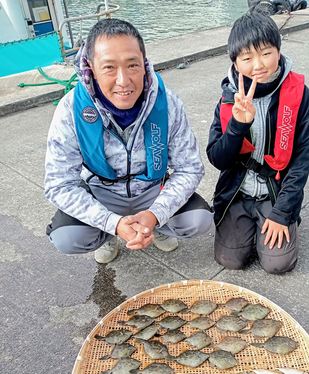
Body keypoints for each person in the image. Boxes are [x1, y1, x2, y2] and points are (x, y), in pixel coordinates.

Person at [45, 19, 213, 263]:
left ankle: (153, 226)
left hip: (152, 190)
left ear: (144, 64)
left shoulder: (168, 103)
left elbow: (190, 168)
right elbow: (58, 184)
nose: (123, 80)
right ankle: (110, 233)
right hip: (101, 192)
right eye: (109, 67)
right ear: (90, 67)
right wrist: (112, 223)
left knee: (199, 221)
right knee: (67, 237)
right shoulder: (70, 109)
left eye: (132, 65)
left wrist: (157, 214)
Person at [206, 13, 309, 273]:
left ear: (278, 50)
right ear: (235, 61)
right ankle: (244, 224)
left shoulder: (299, 94)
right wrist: (238, 125)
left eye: (266, 53)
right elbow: (217, 158)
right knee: (230, 260)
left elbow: (302, 159)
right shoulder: (228, 98)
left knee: (279, 264)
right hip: (238, 191)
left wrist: (282, 213)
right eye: (246, 58)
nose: (258, 65)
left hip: (275, 191)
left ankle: (275, 219)